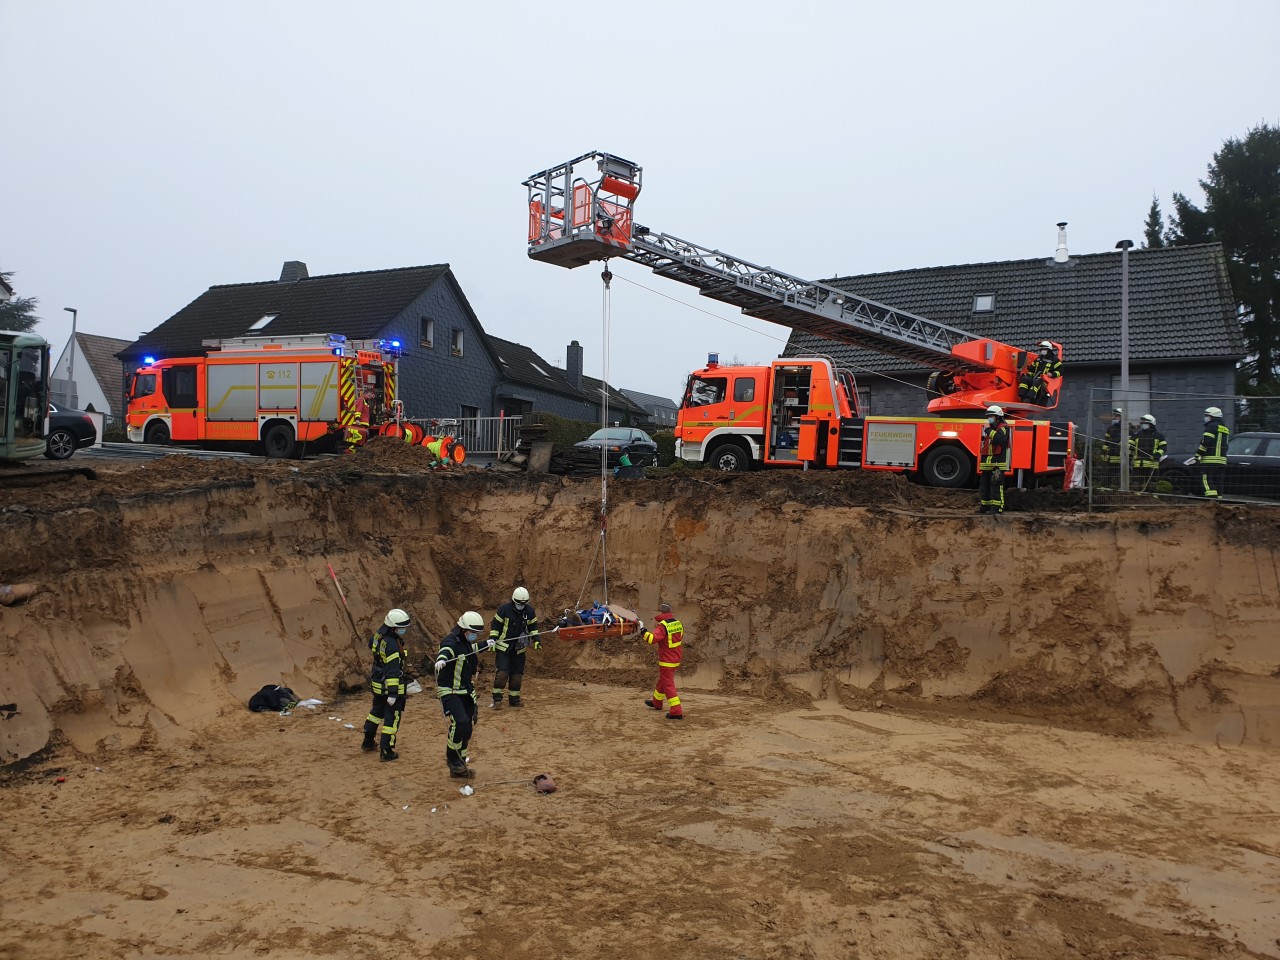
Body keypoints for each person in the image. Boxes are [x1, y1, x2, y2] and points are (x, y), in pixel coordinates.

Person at [435, 610, 492, 778]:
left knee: (467, 726)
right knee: (459, 722)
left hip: (465, 690)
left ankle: (460, 763)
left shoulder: (465, 642)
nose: (475, 635)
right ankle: (453, 761)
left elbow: (470, 649)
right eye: (473, 632)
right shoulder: (451, 642)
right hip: (450, 691)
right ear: (463, 630)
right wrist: (441, 659)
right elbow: (446, 650)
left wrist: (486, 644)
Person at [362, 608, 413, 762]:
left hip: (377, 682)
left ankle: (368, 741)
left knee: (376, 712)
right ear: (393, 627)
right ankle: (387, 750)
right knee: (392, 719)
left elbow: (372, 645)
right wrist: (393, 694)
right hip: (389, 686)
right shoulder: (392, 645)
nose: (404, 630)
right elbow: (392, 672)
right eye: (401, 627)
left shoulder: (379, 635)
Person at [489, 586, 541, 708]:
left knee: (517, 675)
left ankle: (514, 699)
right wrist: (492, 639)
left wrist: (537, 640)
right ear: (514, 600)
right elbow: (495, 625)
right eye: (519, 603)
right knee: (502, 673)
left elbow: (533, 627)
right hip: (504, 647)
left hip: (519, 648)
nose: (521, 605)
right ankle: (497, 700)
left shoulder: (529, 612)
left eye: (524, 603)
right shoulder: (504, 610)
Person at [643, 601, 685, 720]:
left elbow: (652, 639)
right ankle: (657, 702)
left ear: (661, 611)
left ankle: (676, 711)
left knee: (668, 684)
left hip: (666, 660)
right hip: (676, 658)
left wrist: (643, 632)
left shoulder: (662, 626)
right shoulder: (678, 623)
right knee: (662, 681)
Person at [977, 404, 1011, 515]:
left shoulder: (1004, 427)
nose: (989, 418)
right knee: (984, 485)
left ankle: (997, 508)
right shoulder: (990, 428)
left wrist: (987, 429)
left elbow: (999, 439)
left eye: (991, 416)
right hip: (987, 463)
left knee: (996, 485)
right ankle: (985, 506)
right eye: (988, 416)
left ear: (997, 417)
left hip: (997, 463)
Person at [1195, 406, 1230, 499]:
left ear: (1212, 417)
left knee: (1205, 479)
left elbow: (1206, 442)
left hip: (1210, 460)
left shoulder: (1211, 427)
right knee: (1218, 481)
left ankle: (1212, 501)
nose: (1205, 418)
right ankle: (1218, 501)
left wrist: (1198, 455)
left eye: (1207, 416)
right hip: (1222, 460)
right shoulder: (1224, 428)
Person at [1016, 341, 1062, 406]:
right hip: (1035, 378)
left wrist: (1052, 374)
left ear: (1049, 350)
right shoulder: (1038, 359)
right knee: (1025, 379)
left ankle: (1030, 398)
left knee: (1037, 381)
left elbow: (1060, 371)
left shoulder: (1055, 360)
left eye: (1044, 349)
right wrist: (1027, 375)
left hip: (1045, 382)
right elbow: (1032, 370)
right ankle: (1023, 398)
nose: (1042, 351)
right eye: (1041, 349)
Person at [1129, 414, 1167, 492]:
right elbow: (1130, 446)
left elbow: (1163, 447)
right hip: (1138, 465)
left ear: (1151, 423)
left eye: (1145, 423)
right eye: (1142, 423)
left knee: (1151, 486)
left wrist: (1158, 454)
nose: (1143, 425)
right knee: (1135, 485)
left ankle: (1151, 501)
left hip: (1152, 465)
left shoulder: (1159, 436)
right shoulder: (1137, 435)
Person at [1098, 408, 1125, 488]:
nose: (1115, 417)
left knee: (1122, 474)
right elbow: (1106, 442)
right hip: (1111, 455)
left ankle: (1121, 488)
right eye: (1115, 416)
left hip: (1123, 457)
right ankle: (1105, 487)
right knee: (1109, 473)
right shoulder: (1111, 428)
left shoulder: (1127, 428)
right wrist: (1104, 453)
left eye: (1117, 416)